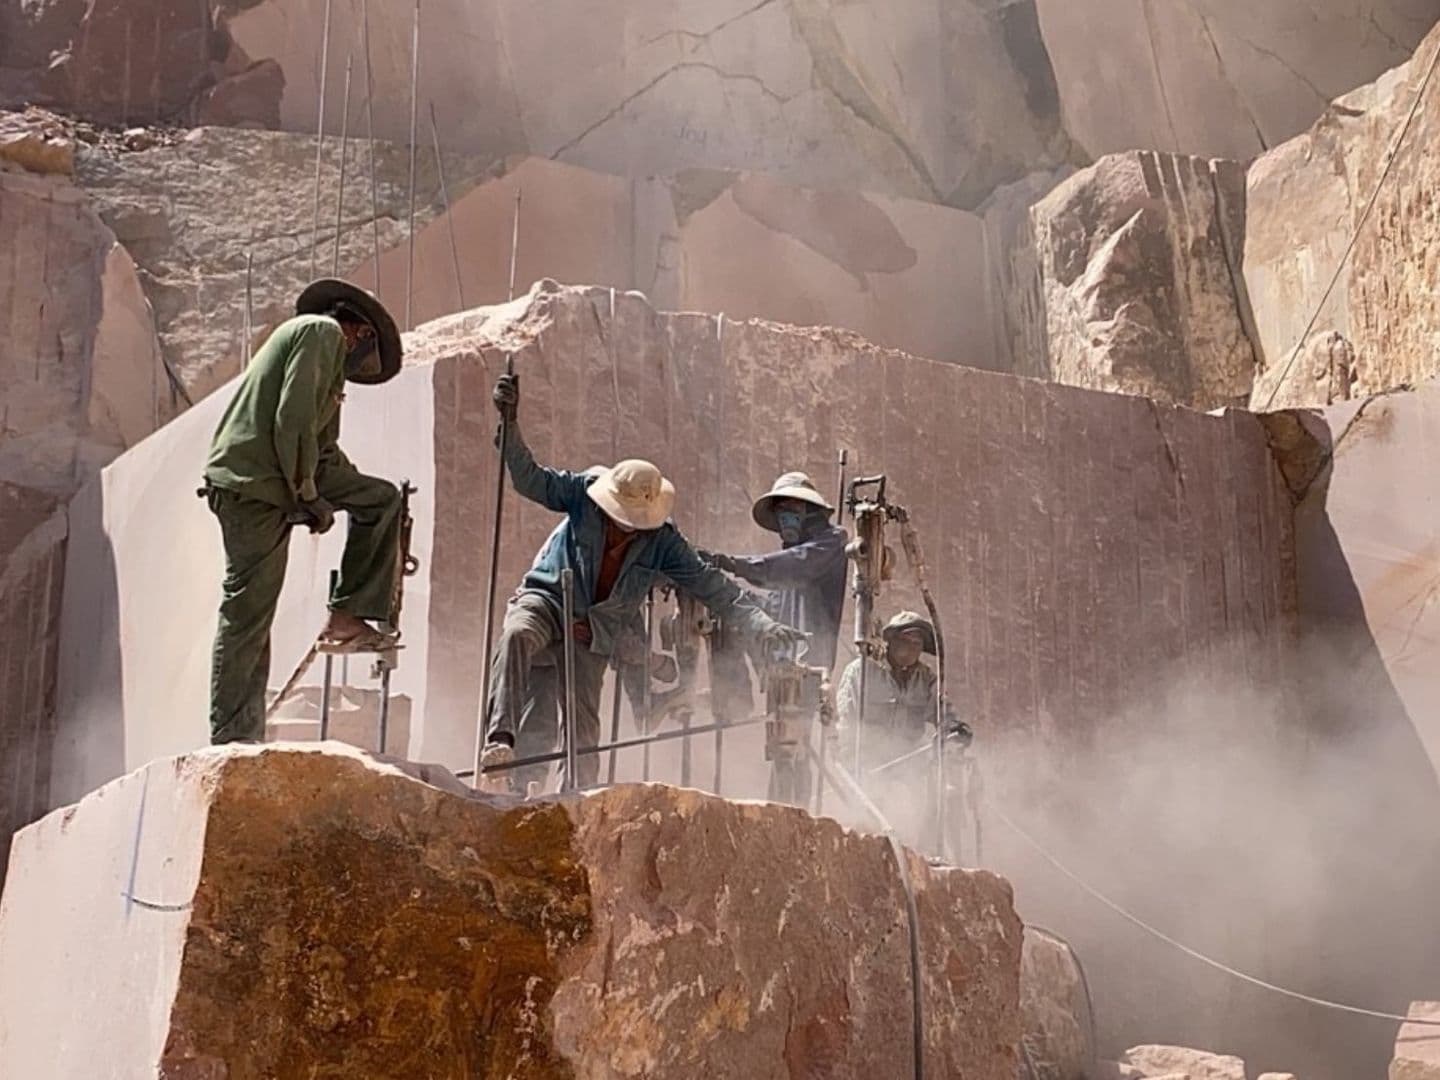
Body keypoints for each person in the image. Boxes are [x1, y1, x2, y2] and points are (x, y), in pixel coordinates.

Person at [478, 372, 806, 790]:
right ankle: (500, 740)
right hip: (549, 600)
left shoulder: (663, 542)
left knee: (583, 728)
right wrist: (509, 425)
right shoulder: (582, 493)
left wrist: (761, 624)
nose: (627, 526)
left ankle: (575, 798)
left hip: (591, 631)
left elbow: (713, 587)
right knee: (517, 635)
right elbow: (530, 478)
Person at [202, 279, 405, 745]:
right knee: (248, 612)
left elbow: (323, 449)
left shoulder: (322, 358)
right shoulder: (321, 333)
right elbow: (292, 422)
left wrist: (331, 490)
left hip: (269, 479)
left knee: (380, 499)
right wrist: (308, 493)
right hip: (255, 482)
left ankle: (348, 616)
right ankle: (232, 736)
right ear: (360, 333)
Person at [701, 472, 848, 673]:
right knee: (727, 618)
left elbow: (796, 565)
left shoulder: (832, 540)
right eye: (780, 509)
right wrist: (728, 591)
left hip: (810, 667)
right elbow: (773, 609)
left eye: (792, 506)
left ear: (810, 509)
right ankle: (732, 692)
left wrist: (734, 564)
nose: (785, 515)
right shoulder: (785, 560)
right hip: (780, 667)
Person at [835, 610, 972, 772]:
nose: (911, 648)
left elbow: (944, 713)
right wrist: (852, 767)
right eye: (905, 641)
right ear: (891, 641)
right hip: (867, 767)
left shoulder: (926, 679)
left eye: (917, 643)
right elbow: (845, 725)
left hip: (910, 769)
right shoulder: (861, 672)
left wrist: (955, 729)